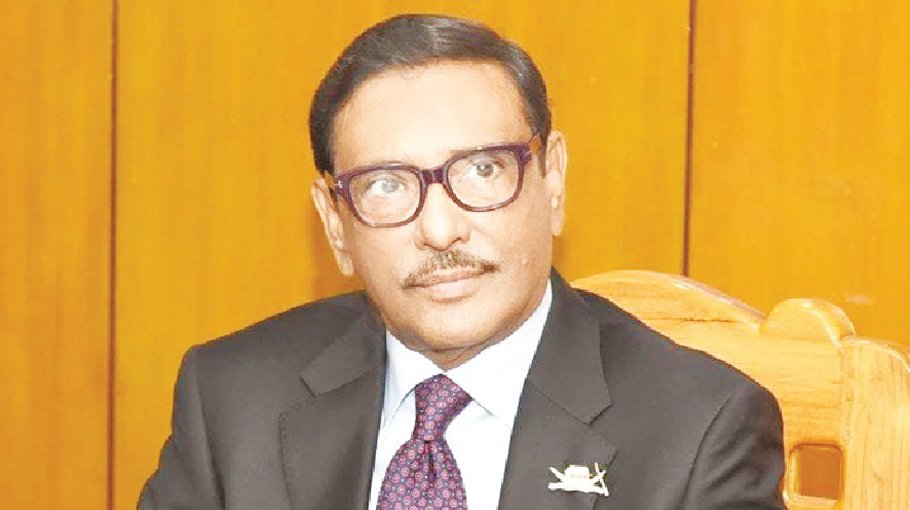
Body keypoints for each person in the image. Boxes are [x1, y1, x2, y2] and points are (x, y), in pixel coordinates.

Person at [139, 14, 785, 510]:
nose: (440, 229)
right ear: (335, 223)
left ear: (553, 180)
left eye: (482, 170)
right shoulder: (231, 398)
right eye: (386, 185)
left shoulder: (701, 431)